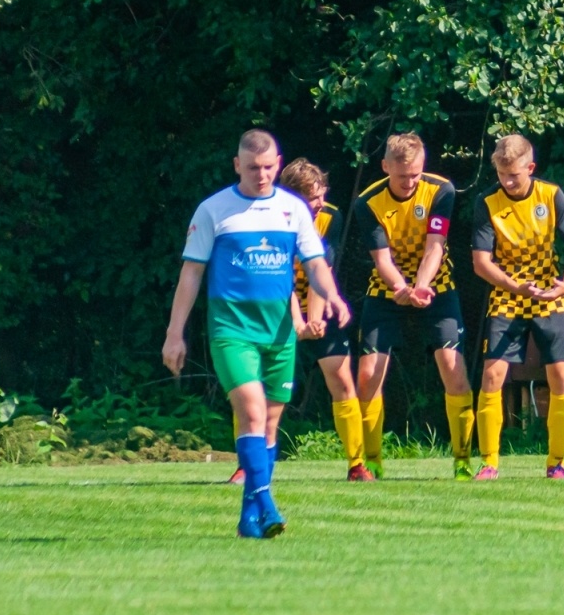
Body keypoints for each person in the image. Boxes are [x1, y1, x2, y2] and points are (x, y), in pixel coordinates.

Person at [163, 130, 350, 537]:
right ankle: (267, 504)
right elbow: (191, 273)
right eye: (252, 168)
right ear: (237, 165)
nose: (261, 175)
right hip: (233, 330)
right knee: (250, 410)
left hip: (280, 333)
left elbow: (315, 263)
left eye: (268, 167)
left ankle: (250, 520)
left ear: (278, 163)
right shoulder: (214, 210)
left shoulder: (293, 209)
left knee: (268, 425)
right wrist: (175, 333)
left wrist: (332, 297)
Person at [352, 133, 473, 480]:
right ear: (385, 167)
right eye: (402, 175)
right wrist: (401, 288)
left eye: (416, 175)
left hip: (436, 285)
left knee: (452, 366)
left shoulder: (441, 190)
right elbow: (382, 258)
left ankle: (462, 460)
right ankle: (371, 462)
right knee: (368, 373)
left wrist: (420, 287)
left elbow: (435, 246)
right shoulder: (368, 202)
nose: (410, 182)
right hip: (387, 287)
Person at [472, 135, 564, 479]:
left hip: (548, 295)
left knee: (561, 376)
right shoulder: (487, 202)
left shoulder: (551, 196)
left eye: (514, 175)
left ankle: (557, 463)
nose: (507, 182)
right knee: (492, 374)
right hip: (507, 295)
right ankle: (489, 462)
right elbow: (480, 262)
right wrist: (512, 285)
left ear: (531, 168)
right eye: (502, 174)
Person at [278, 158, 366, 480]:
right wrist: (298, 324)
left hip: (319, 303)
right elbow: (280, 277)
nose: (319, 203)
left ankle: (357, 465)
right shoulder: (272, 220)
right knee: (261, 387)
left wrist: (313, 320)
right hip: (277, 307)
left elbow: (320, 267)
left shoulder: (330, 217)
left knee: (341, 379)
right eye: (311, 198)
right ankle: (248, 466)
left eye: (321, 194)